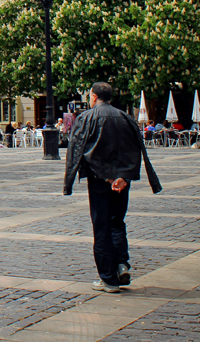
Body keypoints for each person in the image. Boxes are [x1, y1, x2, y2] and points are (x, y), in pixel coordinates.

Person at [64, 82, 161, 294]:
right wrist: (123, 177)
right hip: (123, 181)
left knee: (102, 227)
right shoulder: (126, 117)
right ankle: (121, 264)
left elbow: (81, 151)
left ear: (94, 96)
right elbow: (136, 149)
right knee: (117, 222)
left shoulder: (86, 118)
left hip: (100, 181)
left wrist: (102, 178)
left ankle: (108, 278)